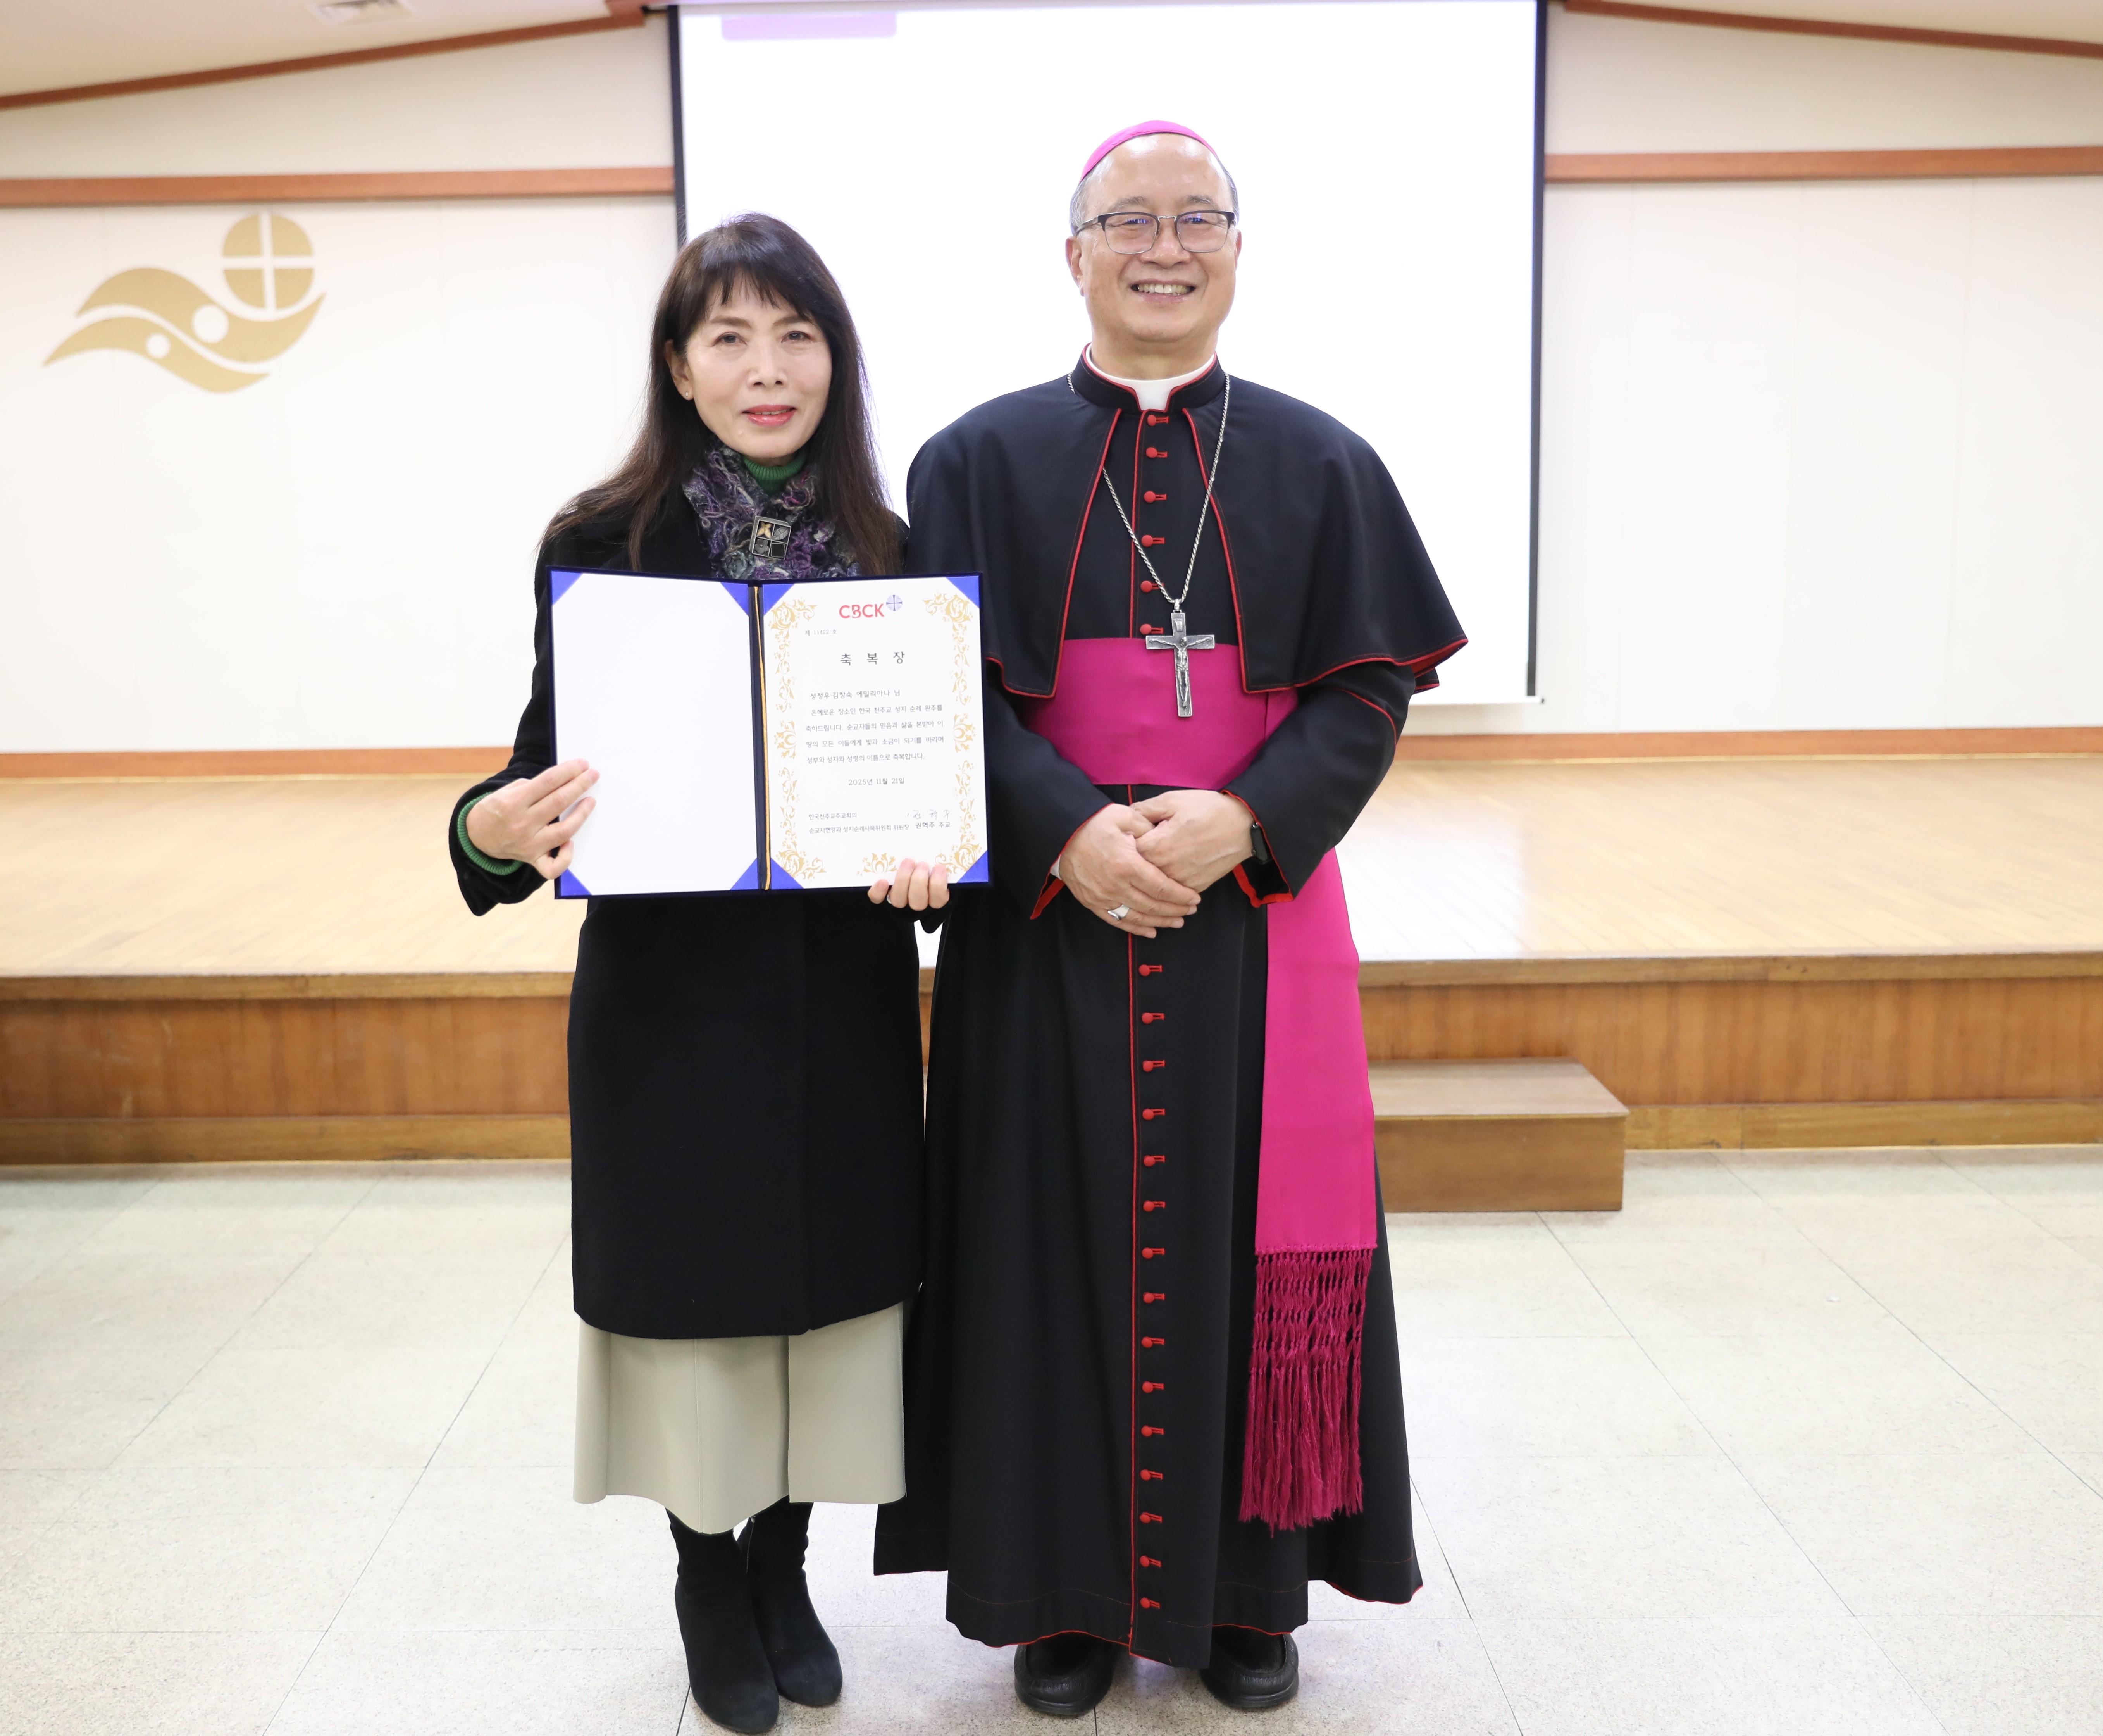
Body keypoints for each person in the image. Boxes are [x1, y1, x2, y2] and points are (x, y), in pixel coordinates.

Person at [873, 122, 1466, 1715]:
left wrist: (1242, 820)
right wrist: (1067, 833)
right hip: (1043, 928)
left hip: (1249, 933)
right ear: (1071, 253)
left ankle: (1248, 1594)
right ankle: (1053, 1592)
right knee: (1033, 1241)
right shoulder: (972, 462)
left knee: (1246, 1246)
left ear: (1234, 248)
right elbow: (938, 694)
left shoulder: (1323, 461)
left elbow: (1365, 692)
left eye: (1193, 216)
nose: (1161, 244)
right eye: (1124, 220)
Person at [448, 214, 947, 1736]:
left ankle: (789, 1567)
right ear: (678, 365)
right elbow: (545, 764)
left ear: (834, 360)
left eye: (794, 334)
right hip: (669, 1002)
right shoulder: (601, 540)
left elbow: (928, 776)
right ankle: (704, 1573)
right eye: (727, 335)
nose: (765, 367)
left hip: (842, 993)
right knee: (697, 1304)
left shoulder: (892, 549)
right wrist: (486, 826)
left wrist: (935, 858)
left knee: (823, 1293)